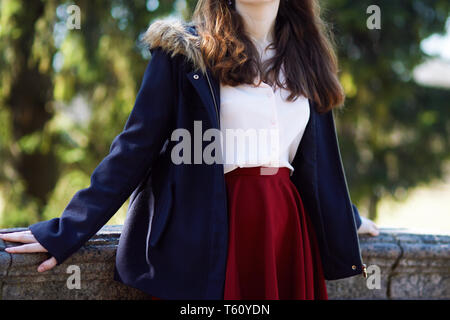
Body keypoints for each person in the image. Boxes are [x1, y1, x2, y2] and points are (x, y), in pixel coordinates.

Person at [0, 0, 379, 300]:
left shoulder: (308, 61)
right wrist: (68, 229)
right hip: (207, 230)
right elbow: (134, 148)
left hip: (283, 229)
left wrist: (346, 216)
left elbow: (313, 164)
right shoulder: (186, 53)